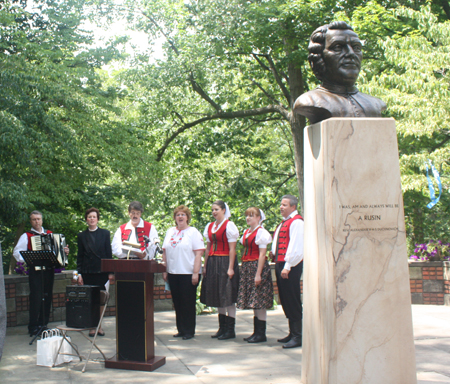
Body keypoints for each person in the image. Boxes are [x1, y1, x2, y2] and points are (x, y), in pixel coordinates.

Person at [293, 21, 386, 124]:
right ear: (319, 57)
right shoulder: (310, 101)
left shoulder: (375, 103)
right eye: (338, 47)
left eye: (356, 47)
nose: (351, 53)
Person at [13, 211, 69, 336]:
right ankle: (33, 326)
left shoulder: (49, 234)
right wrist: (28, 259)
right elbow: (17, 252)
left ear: (42, 220)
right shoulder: (26, 235)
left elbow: (59, 254)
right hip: (35, 271)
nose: (36, 221)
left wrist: (65, 252)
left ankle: (44, 324)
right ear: (31, 221)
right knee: (36, 298)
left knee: (47, 297)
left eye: (38, 219)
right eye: (34, 219)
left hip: (49, 271)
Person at [162, 205, 205, 340]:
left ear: (187, 217)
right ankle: (180, 329)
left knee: (188, 303)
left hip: (188, 273)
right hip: (173, 273)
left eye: (183, 215)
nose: (180, 217)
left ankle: (188, 331)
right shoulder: (170, 232)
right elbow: (165, 252)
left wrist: (195, 273)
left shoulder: (193, 232)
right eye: (178, 215)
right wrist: (165, 270)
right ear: (175, 218)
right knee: (177, 302)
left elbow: (198, 254)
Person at [200, 200, 240, 340]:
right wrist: (205, 265)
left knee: (227, 295)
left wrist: (230, 268)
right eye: (212, 210)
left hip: (225, 262)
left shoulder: (229, 226)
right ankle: (222, 328)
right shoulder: (210, 226)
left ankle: (230, 329)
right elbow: (208, 247)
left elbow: (232, 249)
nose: (214, 212)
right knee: (217, 294)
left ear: (224, 210)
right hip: (213, 262)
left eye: (216, 209)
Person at [269, 195, 304, 349]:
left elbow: (297, 246)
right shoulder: (285, 222)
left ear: (293, 206)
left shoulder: (297, 222)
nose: (281, 207)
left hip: (290, 265)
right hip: (280, 262)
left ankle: (298, 336)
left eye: (284, 205)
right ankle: (292, 333)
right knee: (285, 298)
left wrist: (288, 265)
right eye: (281, 204)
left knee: (292, 298)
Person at [237, 207, 273, 343]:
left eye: (252, 216)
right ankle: (256, 332)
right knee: (254, 300)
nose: (248, 218)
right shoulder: (247, 232)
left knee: (259, 300)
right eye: (247, 216)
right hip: (247, 267)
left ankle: (261, 334)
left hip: (257, 266)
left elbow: (262, 254)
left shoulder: (261, 233)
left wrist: (258, 274)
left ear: (259, 218)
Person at [76, 207, 114, 336]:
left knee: (101, 299)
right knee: (90, 300)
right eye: (89, 217)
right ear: (86, 219)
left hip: (101, 272)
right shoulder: (81, 236)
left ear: (97, 219)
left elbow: (109, 254)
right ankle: (92, 326)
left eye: (94, 217)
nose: (92, 219)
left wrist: (111, 272)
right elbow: (79, 256)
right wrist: (78, 274)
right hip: (87, 272)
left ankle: (99, 325)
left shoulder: (105, 233)